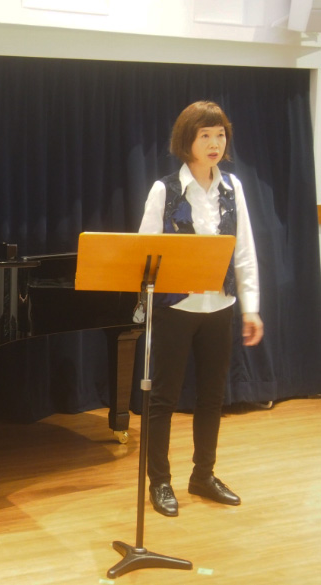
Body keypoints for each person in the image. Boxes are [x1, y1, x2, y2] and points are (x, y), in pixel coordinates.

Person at [138, 101, 263, 517]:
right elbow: (145, 255)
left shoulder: (233, 187)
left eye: (220, 134)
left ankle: (203, 475)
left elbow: (244, 251)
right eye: (205, 135)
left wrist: (251, 308)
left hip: (220, 306)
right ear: (186, 141)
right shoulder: (165, 190)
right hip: (176, 309)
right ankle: (160, 481)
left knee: (212, 397)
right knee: (163, 398)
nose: (214, 143)